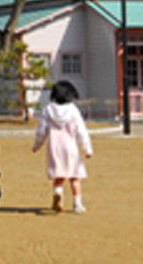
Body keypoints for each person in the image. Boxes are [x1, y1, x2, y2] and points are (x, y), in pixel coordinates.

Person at [32, 80, 93, 214]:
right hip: (70, 147)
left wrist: (37, 145)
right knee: (74, 177)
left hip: (54, 147)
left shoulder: (48, 109)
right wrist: (87, 149)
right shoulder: (73, 110)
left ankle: (58, 192)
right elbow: (81, 130)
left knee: (58, 176)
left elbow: (42, 130)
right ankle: (77, 204)